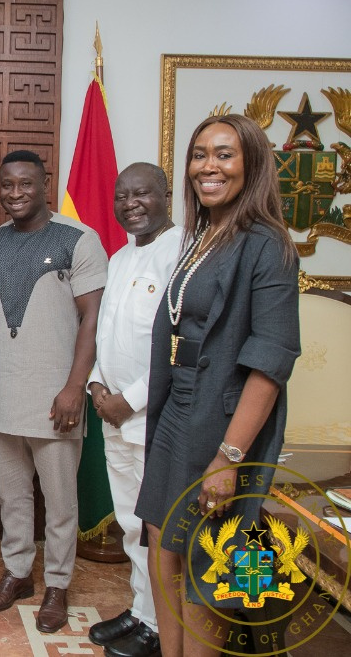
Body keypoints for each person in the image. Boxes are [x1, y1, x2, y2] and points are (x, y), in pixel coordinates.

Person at [135, 114, 299, 657]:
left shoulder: (267, 244)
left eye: (224, 154)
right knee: (164, 545)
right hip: (179, 409)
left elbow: (270, 362)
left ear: (250, 165)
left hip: (222, 422)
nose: (208, 166)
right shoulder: (204, 235)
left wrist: (229, 458)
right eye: (199, 153)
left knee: (209, 561)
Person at [0, 150, 107, 634]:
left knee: (62, 500)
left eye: (25, 184)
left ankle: (59, 585)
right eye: (7, 185)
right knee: (12, 496)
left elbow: (93, 317)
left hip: (56, 398)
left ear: (44, 184)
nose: (15, 193)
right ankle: (19, 573)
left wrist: (74, 387)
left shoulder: (78, 239)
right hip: (4, 391)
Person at [85, 163, 182, 657]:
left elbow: (181, 346)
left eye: (142, 194)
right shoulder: (120, 257)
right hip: (112, 410)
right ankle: (143, 611)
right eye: (122, 196)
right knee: (130, 522)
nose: (130, 204)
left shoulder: (183, 253)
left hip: (154, 416)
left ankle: (162, 627)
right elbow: (106, 333)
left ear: (166, 194)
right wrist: (98, 385)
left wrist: (131, 399)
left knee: (156, 527)